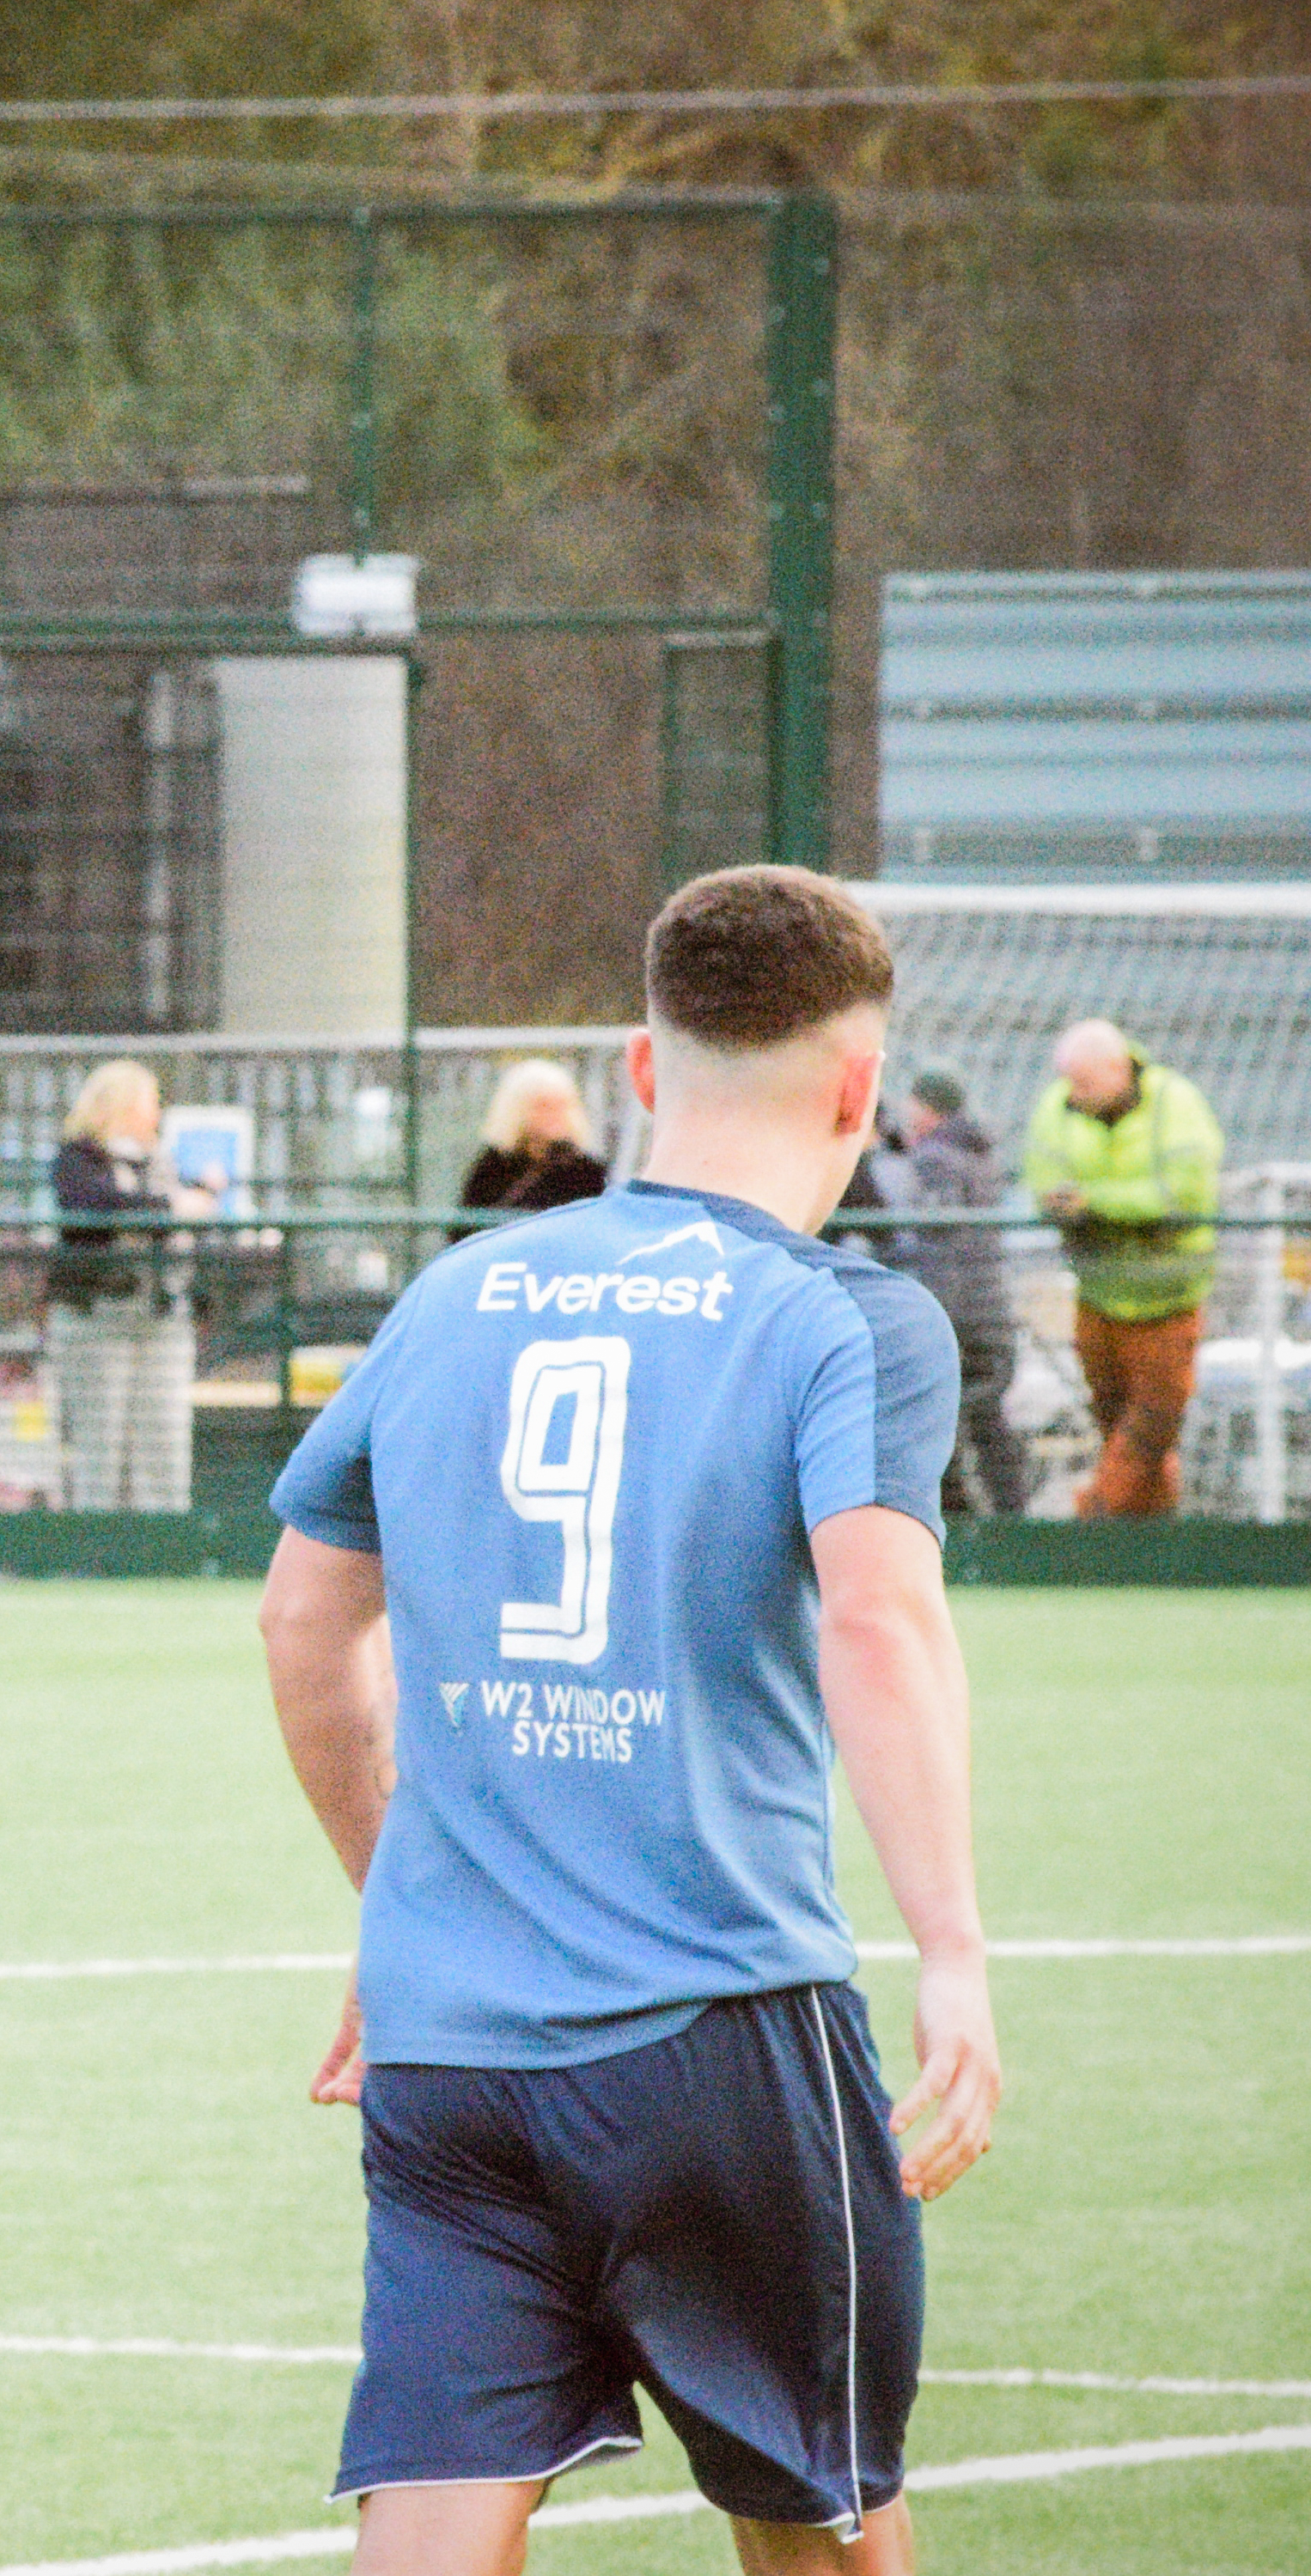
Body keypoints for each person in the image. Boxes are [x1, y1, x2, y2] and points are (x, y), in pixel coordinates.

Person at [259, 864, 1002, 2576]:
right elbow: (882, 1615)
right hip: (719, 2030)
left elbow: (305, 1613)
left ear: (640, 1069)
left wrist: (400, 1900)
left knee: (434, 2518)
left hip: (447, 2048)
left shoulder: (458, 1290)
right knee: (820, 2520)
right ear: (855, 1087)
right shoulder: (848, 1315)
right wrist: (950, 1942)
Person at [1026, 1018, 1224, 1518]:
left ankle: (1095, 1518)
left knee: (1153, 1421)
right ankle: (1147, 1536)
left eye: (1086, 1083)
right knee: (1115, 1421)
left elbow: (1186, 1194)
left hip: (1169, 1298)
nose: (1075, 1093)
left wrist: (1094, 1203)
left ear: (1119, 1068)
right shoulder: (1056, 1107)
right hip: (1097, 1294)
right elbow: (1043, 1181)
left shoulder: (1176, 1104)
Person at [47, 1058, 216, 1512]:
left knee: (162, 1435)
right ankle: (97, 1545)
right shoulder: (78, 1158)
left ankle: (164, 1544)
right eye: (149, 1103)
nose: (156, 1114)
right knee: (100, 1439)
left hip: (159, 1318)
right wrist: (172, 1206)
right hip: (97, 1318)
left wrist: (197, 1195)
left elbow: (177, 1213)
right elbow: (101, 1204)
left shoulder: (160, 1161)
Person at [887, 1066, 1029, 1516]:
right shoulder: (980, 1151)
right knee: (987, 1417)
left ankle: (957, 1515)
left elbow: (933, 1229)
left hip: (952, 1303)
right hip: (987, 1300)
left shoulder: (937, 1157)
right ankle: (1013, 1513)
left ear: (928, 1108)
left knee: (939, 1413)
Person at [458, 1058, 609, 1219]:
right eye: (543, 1106)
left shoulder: (586, 1171)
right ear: (516, 1110)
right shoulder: (492, 1168)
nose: (555, 1115)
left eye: (562, 1105)